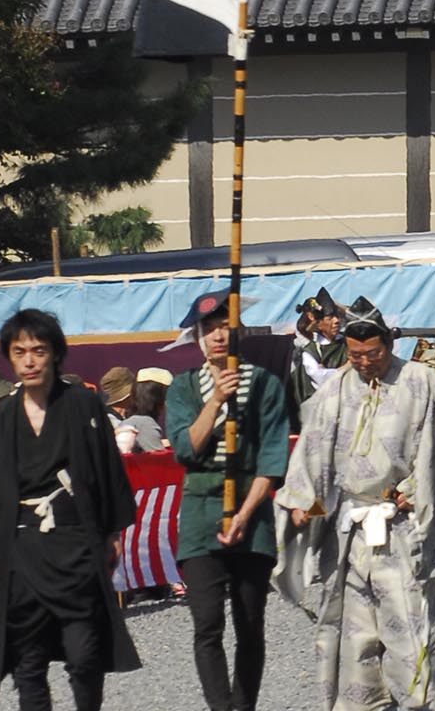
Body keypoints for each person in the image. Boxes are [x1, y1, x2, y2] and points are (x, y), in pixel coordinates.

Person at [0, 309, 140, 710]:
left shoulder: (83, 406)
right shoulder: (2, 420)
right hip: (20, 550)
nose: (29, 360)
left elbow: (107, 471)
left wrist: (111, 534)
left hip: (75, 544)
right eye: (19, 352)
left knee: (84, 655)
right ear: (11, 359)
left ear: (55, 354)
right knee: (27, 663)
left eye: (38, 350)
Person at [276, 296, 435, 710]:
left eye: (373, 353)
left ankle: (415, 703)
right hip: (348, 532)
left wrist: (416, 487)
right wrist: (303, 501)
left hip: (398, 526)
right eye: (356, 354)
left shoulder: (419, 381)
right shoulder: (335, 389)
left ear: (389, 346)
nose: (364, 362)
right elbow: (312, 453)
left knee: (407, 627)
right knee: (352, 632)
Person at [163, 289, 292, 711]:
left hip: (251, 511)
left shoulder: (266, 384)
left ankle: (243, 705)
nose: (218, 336)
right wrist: (216, 399)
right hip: (201, 510)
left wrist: (246, 512)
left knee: (250, 621)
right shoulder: (183, 387)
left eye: (225, 327)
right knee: (207, 622)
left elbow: (272, 460)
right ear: (197, 337)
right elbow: (185, 449)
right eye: (209, 329)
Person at [291, 288, 346, 404]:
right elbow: (321, 377)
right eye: (330, 318)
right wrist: (346, 368)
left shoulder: (346, 341)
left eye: (337, 316)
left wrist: (339, 306)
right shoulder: (310, 349)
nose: (336, 321)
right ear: (318, 324)